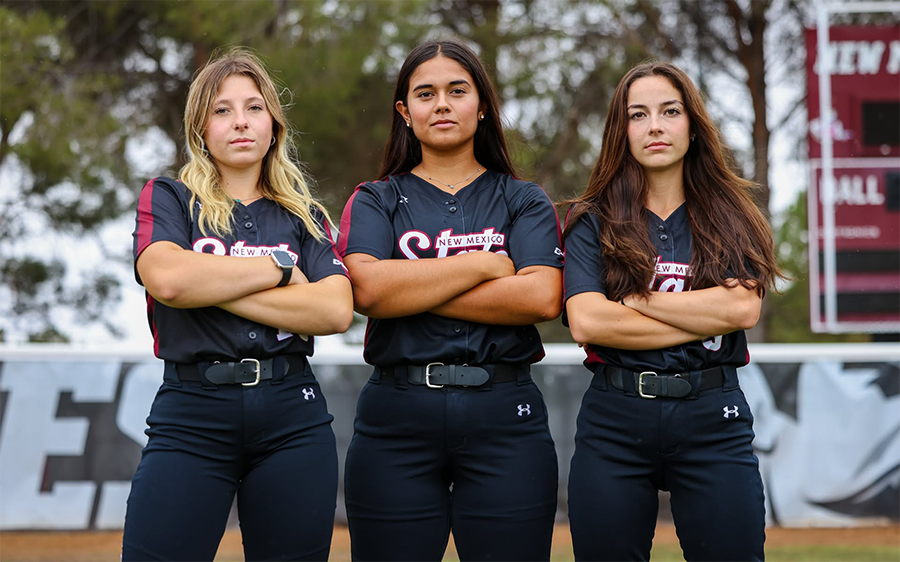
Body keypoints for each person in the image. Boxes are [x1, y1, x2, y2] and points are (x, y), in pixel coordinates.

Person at [337, 39, 563, 562]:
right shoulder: (375, 198)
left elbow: (541, 296)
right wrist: (483, 265)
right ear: (405, 112)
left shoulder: (522, 199)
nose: (441, 104)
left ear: (481, 105)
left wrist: (409, 287)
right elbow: (366, 290)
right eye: (425, 93)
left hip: (506, 417)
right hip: (396, 417)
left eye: (457, 91)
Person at [123, 48, 353, 562]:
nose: (240, 121)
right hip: (192, 414)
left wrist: (218, 289)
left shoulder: (305, 215)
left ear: (274, 124)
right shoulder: (169, 198)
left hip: (294, 415)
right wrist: (279, 270)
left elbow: (336, 311)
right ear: (200, 128)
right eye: (222, 110)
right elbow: (170, 280)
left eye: (254, 107)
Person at [562, 61, 780, 562]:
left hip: (713, 418)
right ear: (622, 131)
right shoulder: (590, 220)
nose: (655, 125)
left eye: (669, 111)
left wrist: (641, 300)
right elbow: (589, 322)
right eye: (638, 115)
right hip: (615, 419)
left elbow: (741, 308)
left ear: (692, 124)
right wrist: (700, 312)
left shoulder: (733, 214)